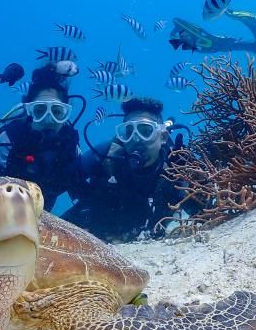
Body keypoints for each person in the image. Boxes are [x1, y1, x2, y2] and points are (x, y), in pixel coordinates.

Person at [62, 97, 186, 243]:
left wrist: (187, 177)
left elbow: (205, 206)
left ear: (163, 136)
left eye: (145, 131)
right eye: (128, 132)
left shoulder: (178, 164)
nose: (137, 139)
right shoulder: (106, 154)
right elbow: (62, 178)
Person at [0, 64, 83, 211]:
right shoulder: (11, 138)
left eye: (57, 111)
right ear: (29, 111)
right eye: (40, 110)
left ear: (66, 112)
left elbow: (79, 188)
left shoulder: (71, 144)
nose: (49, 119)